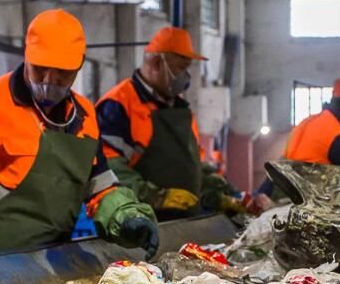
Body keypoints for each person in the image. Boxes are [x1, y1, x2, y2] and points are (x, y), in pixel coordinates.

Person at [0, 9, 159, 258]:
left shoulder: (85, 115)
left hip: (56, 260)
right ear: (26, 56)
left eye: (62, 74)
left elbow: (101, 187)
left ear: (79, 66)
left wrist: (126, 217)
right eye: (40, 69)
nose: (49, 81)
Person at [96, 26, 246, 221]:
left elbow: (192, 167)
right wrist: (157, 197)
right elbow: (109, 169)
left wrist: (219, 193)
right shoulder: (118, 105)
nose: (186, 76)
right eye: (181, 68)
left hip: (182, 224)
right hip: (139, 226)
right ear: (157, 63)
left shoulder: (180, 108)